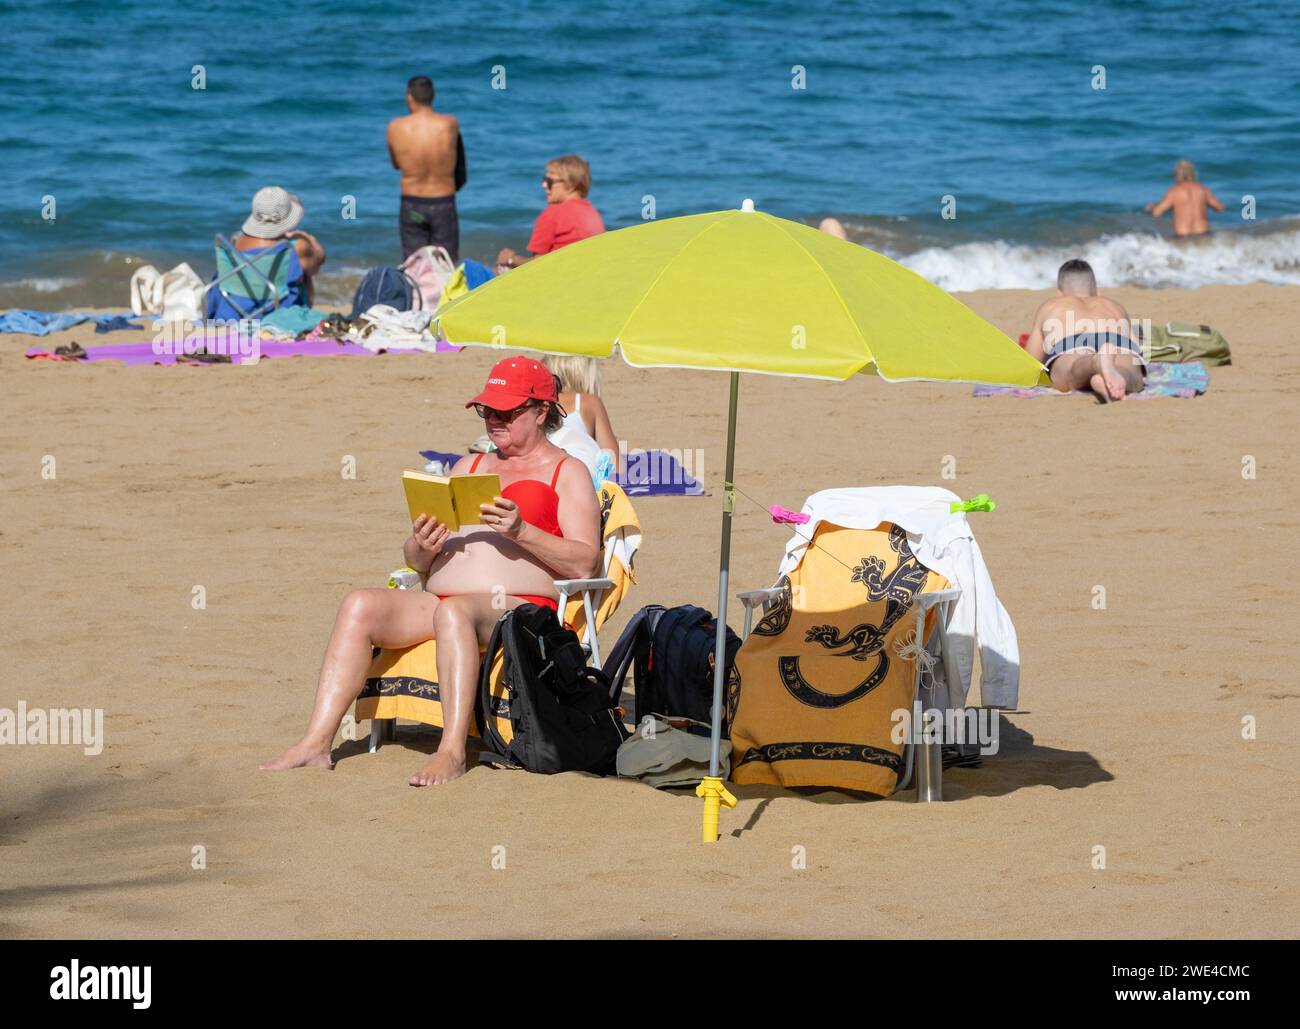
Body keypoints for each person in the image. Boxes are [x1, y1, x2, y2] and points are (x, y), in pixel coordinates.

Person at [260, 357, 600, 785]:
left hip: (519, 610)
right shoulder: (468, 467)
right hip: (441, 600)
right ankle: (315, 742)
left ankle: (453, 750)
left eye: (505, 411)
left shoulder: (567, 472)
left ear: (541, 410)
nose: (493, 420)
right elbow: (417, 564)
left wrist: (522, 531)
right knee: (359, 604)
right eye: (487, 410)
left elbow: (586, 561)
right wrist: (420, 546)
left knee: (454, 611)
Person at [1025, 259, 1145, 402]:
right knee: (1132, 376)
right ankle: (1115, 377)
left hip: (1072, 343)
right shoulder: (1114, 306)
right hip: (1116, 342)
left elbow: (1031, 363)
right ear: (1098, 292)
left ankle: (1094, 363)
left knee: (1072, 372)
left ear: (1059, 293)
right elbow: (1137, 351)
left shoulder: (1051, 306)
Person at [388, 75, 465, 261]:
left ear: (409, 96)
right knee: (445, 265)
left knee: (415, 266)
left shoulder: (395, 127)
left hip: (412, 204)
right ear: (433, 95)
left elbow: (397, 164)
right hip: (443, 203)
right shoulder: (450, 124)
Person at [495, 155, 605, 272]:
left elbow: (539, 264)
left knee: (500, 268)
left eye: (549, 181)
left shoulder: (553, 214)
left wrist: (511, 259)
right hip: (588, 271)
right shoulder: (592, 212)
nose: (543, 185)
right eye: (544, 179)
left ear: (571, 185)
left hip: (562, 276)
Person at [229, 186, 325, 307]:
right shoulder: (296, 247)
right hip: (278, 310)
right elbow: (317, 264)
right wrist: (310, 239)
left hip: (241, 306)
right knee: (305, 274)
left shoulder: (237, 242)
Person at [541, 354, 620, 480]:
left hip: (543, 468)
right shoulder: (588, 402)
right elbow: (613, 461)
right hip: (580, 475)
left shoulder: (539, 402)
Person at [1145, 160, 1224, 237]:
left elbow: (1157, 213)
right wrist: (1205, 203)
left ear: (1176, 174)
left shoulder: (1174, 192)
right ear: (1193, 173)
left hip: (1183, 237)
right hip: (1203, 234)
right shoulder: (1203, 189)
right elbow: (1220, 208)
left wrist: (1152, 208)